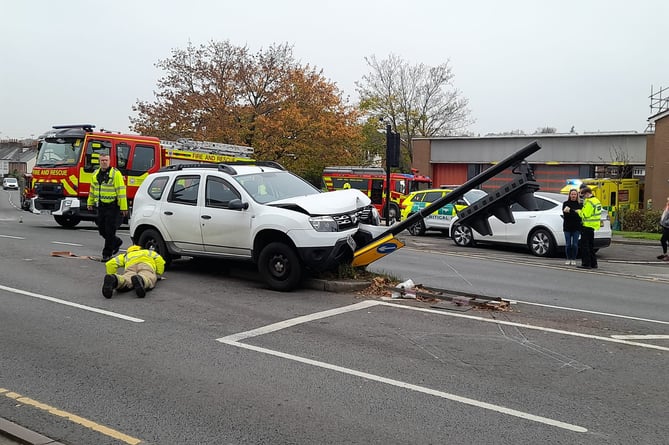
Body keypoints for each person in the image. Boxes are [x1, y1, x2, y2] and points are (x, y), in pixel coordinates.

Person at [87, 153, 128, 261]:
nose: (104, 162)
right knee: (102, 230)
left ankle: (107, 254)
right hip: (101, 205)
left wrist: (123, 207)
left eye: (106, 160)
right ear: (99, 161)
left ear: (109, 161)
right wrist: (90, 202)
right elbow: (92, 190)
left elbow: (121, 191)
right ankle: (116, 242)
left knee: (110, 230)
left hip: (113, 206)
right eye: (102, 160)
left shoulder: (115, 174)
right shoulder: (95, 174)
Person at [576, 187, 602, 269]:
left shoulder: (589, 202)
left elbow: (585, 215)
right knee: (591, 246)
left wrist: (578, 211)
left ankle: (586, 263)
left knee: (585, 246)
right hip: (593, 226)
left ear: (587, 194)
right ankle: (594, 263)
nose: (583, 198)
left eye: (583, 196)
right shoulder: (596, 201)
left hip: (587, 225)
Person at [562, 188, 582, 265]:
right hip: (567, 227)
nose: (573, 195)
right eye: (572, 194)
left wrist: (570, 210)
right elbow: (566, 214)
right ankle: (568, 258)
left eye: (575, 194)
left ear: (577, 195)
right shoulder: (565, 203)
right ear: (569, 195)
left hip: (576, 227)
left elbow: (579, 216)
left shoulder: (580, 205)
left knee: (575, 244)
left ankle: (573, 258)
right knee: (568, 244)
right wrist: (575, 212)